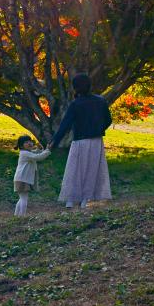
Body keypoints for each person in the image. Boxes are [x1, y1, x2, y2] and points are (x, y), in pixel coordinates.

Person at [48, 73, 112, 209]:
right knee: (92, 170)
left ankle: (70, 199)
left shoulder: (76, 104)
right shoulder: (100, 101)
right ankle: (85, 199)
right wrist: (98, 128)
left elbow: (65, 125)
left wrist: (54, 142)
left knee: (75, 169)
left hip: (80, 141)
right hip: (96, 140)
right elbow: (108, 120)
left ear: (75, 88)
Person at [13, 135, 51, 217]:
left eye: (30, 141)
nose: (29, 143)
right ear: (21, 146)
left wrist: (41, 149)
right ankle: (21, 217)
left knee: (22, 198)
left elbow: (36, 153)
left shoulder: (27, 153)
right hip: (22, 179)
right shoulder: (25, 153)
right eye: (26, 142)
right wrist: (48, 150)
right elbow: (38, 157)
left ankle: (17, 216)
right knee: (24, 199)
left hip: (21, 178)